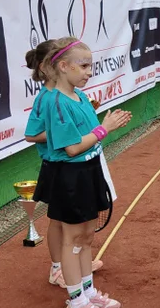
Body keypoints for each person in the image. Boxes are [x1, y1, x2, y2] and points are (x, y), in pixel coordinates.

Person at [42, 37, 131, 308]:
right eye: (83, 66)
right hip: (70, 176)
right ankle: (76, 302)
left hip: (90, 170)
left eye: (90, 65)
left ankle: (87, 291)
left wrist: (101, 124)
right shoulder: (56, 102)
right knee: (72, 240)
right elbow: (72, 147)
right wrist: (105, 128)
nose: (89, 71)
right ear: (63, 66)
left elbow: (88, 136)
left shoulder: (80, 97)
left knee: (86, 237)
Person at [23, 40, 102, 288]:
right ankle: (58, 267)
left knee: (73, 228)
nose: (88, 71)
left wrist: (75, 126)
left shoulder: (74, 95)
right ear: (53, 66)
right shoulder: (48, 98)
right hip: (58, 167)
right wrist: (63, 132)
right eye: (83, 65)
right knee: (60, 223)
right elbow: (32, 134)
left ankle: (75, 269)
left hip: (76, 165)